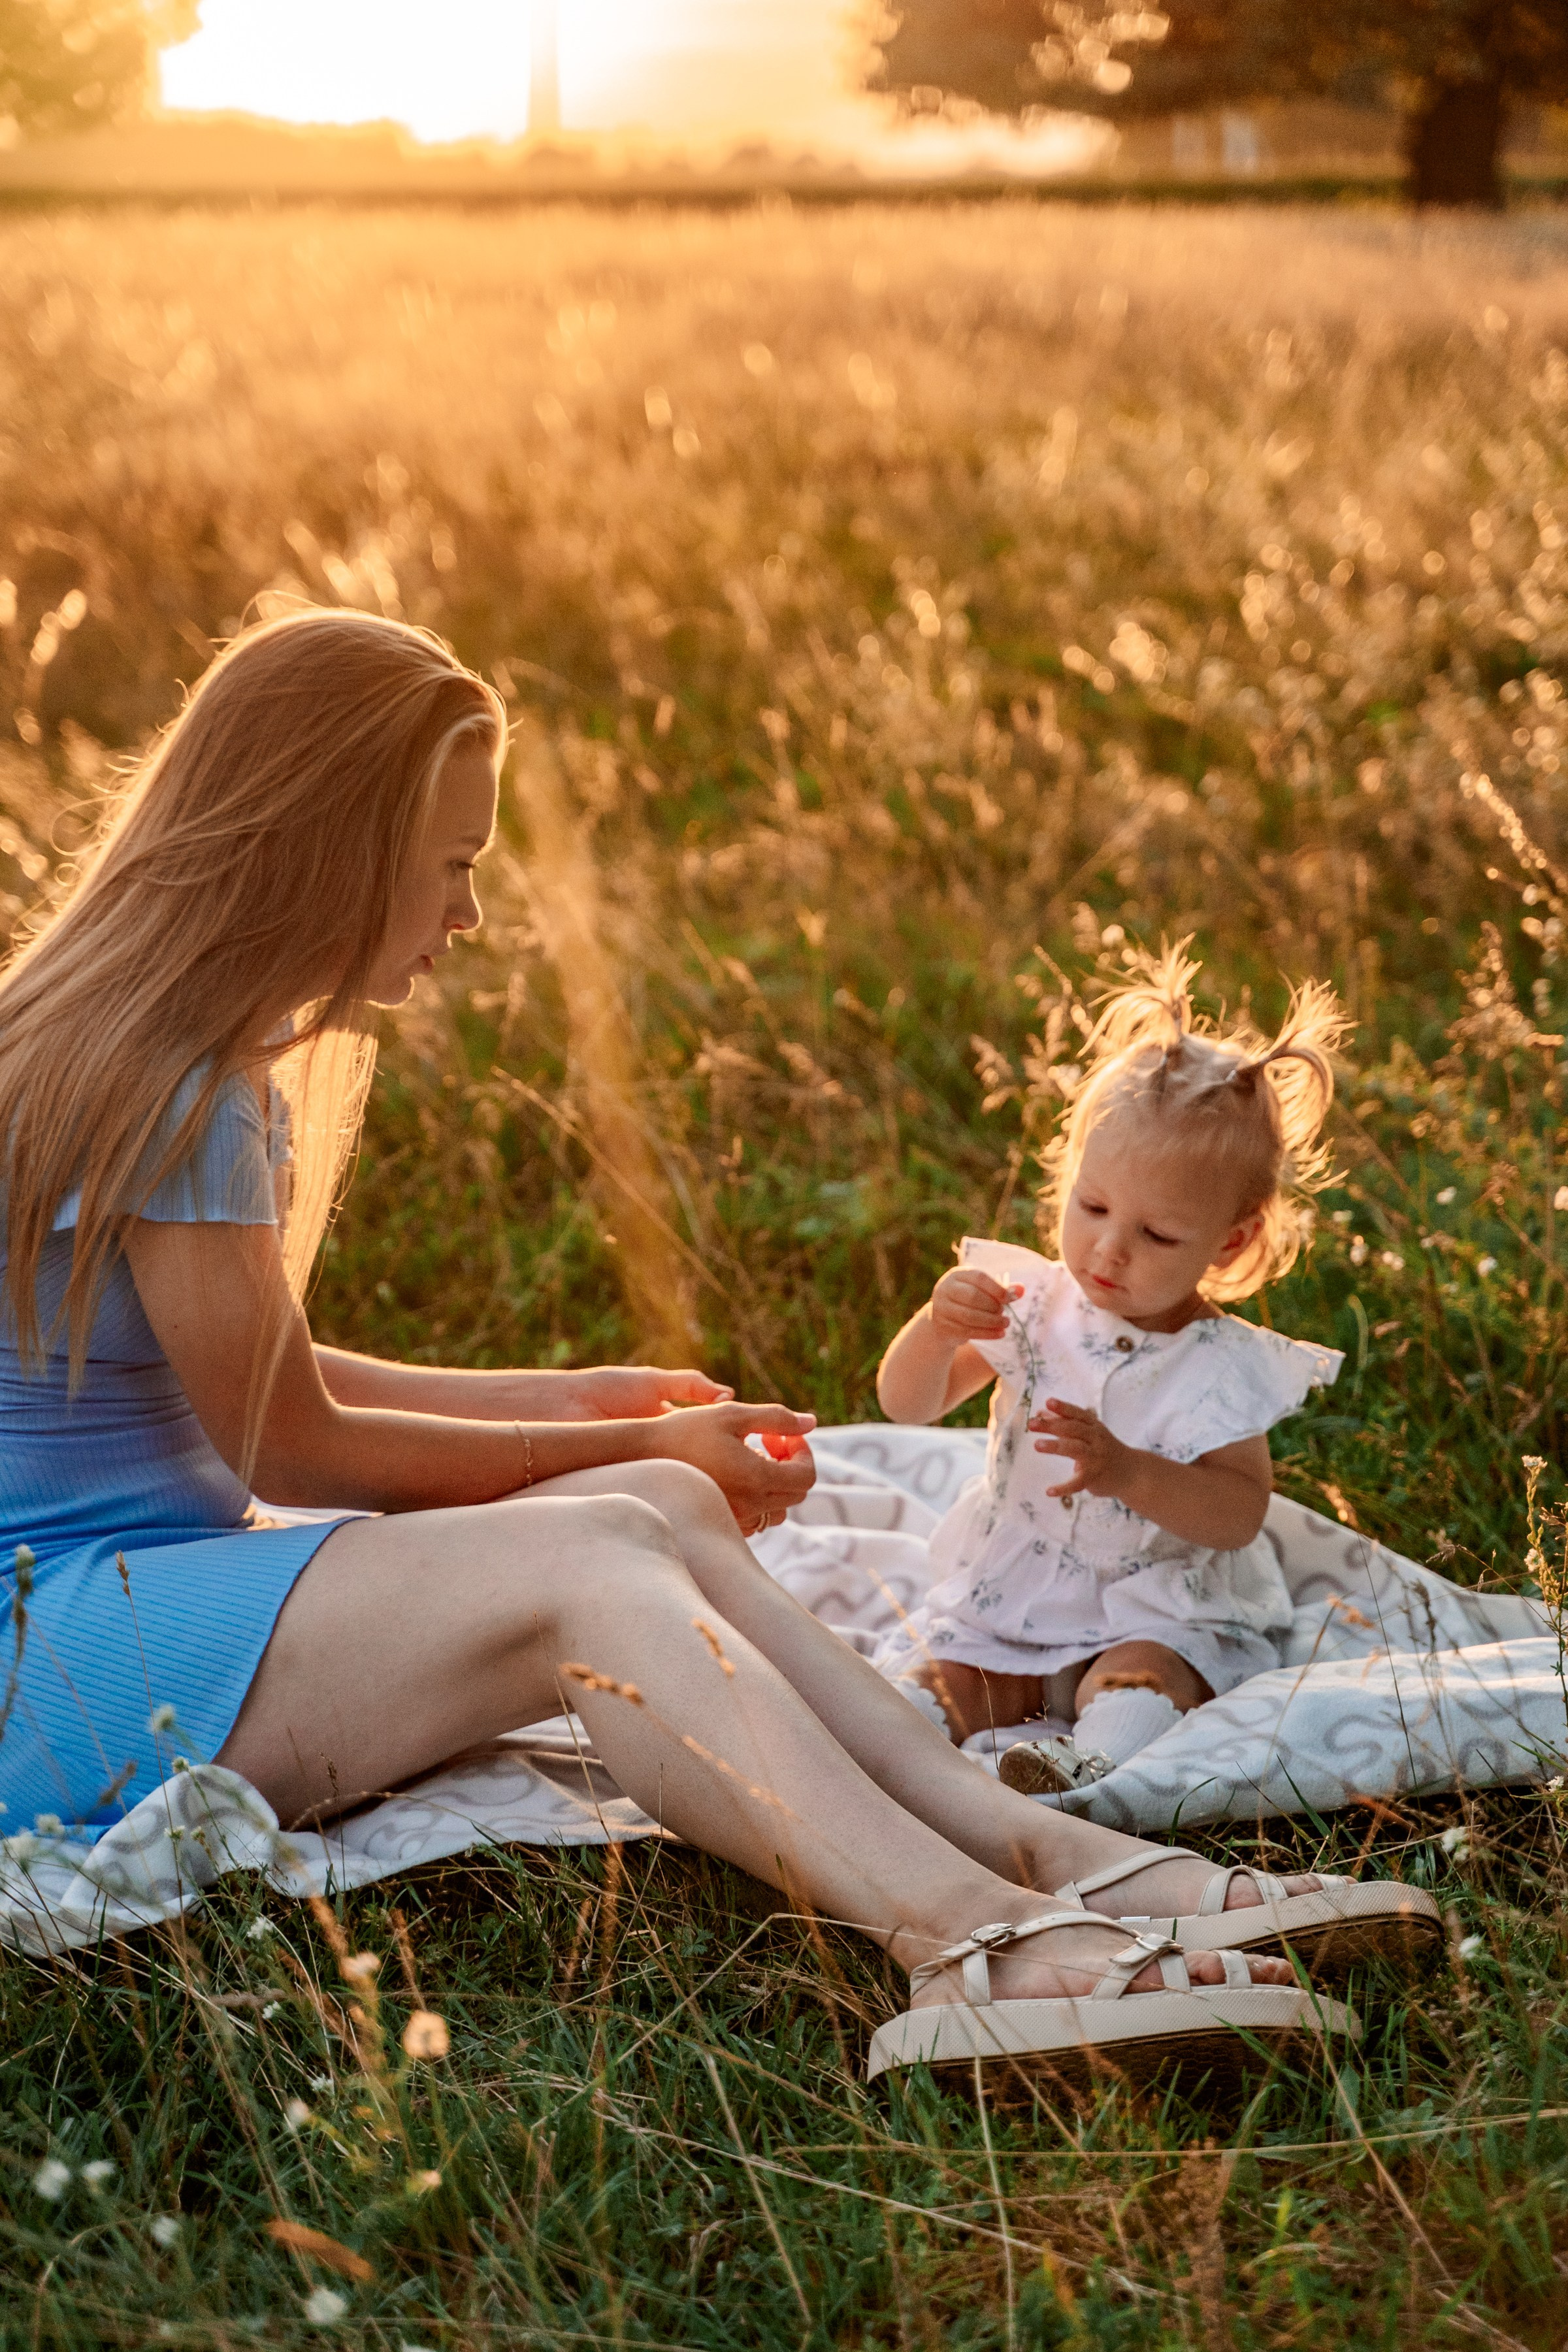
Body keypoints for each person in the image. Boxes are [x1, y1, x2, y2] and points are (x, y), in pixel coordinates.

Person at [0, 615, 1414, 2087]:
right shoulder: (189, 1086)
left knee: (661, 1507)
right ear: (334, 848)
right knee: (587, 1564)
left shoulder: (142, 1041)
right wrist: (620, 1439)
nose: (469, 913)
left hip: (106, 1600)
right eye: (453, 863)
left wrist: (591, 1410)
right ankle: (974, 1943)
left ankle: (1055, 1855)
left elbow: (259, 1377)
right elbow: (290, 1444)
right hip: (45, 1659)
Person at [874, 945, 1350, 1797]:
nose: (1108, 1249)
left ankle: (1087, 1770)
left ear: (1230, 1240)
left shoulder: (1216, 1364)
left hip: (1157, 1598)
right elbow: (906, 1404)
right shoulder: (1029, 1304)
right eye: (1091, 1206)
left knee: (1142, 1675)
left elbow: (1239, 1512)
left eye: (1158, 1235)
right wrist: (936, 1332)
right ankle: (890, 1749)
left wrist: (1128, 1472)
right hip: (1019, 1586)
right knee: (951, 1675)